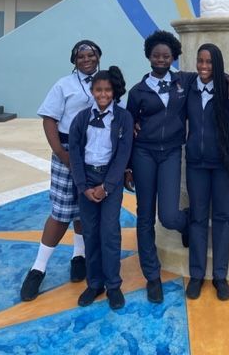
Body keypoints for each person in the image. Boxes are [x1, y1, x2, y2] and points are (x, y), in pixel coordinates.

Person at [125, 30, 229, 304]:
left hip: (172, 153)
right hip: (143, 154)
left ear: (174, 57)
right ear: (149, 57)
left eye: (166, 56)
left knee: (168, 216)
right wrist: (128, 167)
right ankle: (152, 277)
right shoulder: (137, 91)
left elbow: (212, 71)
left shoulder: (183, 81)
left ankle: (186, 222)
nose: (161, 59)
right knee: (144, 217)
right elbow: (128, 127)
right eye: (156, 55)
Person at [20, 40, 102, 302]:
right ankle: (38, 269)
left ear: (98, 56)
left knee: (84, 207)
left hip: (94, 151)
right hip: (68, 150)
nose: (86, 59)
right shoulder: (63, 85)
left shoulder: (104, 80)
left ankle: (78, 256)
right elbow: (49, 119)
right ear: (74, 60)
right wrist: (61, 153)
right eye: (81, 56)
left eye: (91, 55)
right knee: (61, 211)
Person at [185, 43, 229, 302]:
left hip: (223, 166)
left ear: (217, 64)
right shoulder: (188, 87)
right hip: (196, 166)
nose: (203, 66)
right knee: (198, 220)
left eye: (209, 62)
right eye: (200, 61)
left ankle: (219, 276)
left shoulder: (228, 94)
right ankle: (197, 275)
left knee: (222, 220)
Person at [69, 66, 133, 310]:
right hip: (86, 178)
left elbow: (123, 154)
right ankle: (94, 283)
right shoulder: (82, 118)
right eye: (98, 89)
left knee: (109, 232)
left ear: (113, 92)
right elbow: (74, 152)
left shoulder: (124, 118)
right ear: (92, 90)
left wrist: (107, 187)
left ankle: (113, 285)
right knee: (91, 232)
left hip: (110, 181)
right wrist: (83, 186)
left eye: (107, 90)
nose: (103, 94)